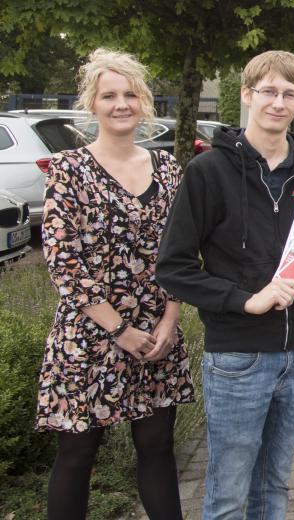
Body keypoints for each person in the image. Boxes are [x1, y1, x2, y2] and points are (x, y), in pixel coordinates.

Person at [156, 50, 294, 518]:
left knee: (276, 482)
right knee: (229, 489)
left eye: (289, 94)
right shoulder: (208, 172)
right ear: (247, 95)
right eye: (268, 92)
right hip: (238, 358)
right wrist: (246, 301)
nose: (278, 103)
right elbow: (173, 267)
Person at [38, 48, 193, 520]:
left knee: (158, 449)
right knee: (77, 456)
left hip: (155, 338)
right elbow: (63, 261)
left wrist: (170, 318)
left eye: (130, 94)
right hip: (89, 335)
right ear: (93, 104)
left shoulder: (168, 171)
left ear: (144, 102)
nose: (121, 103)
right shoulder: (68, 169)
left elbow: (181, 252)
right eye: (109, 95)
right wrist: (118, 329)